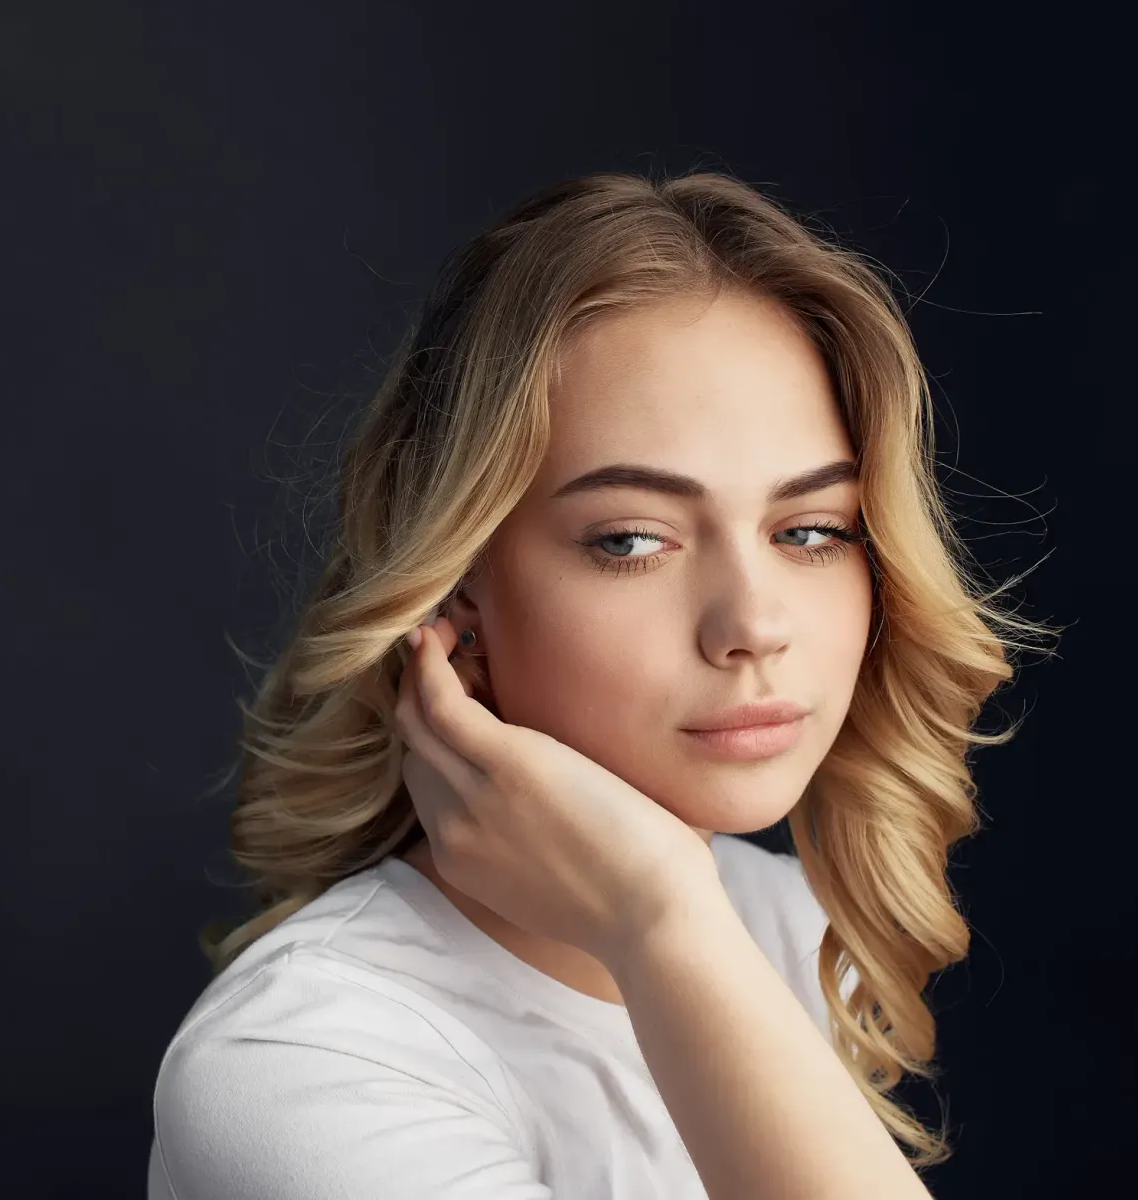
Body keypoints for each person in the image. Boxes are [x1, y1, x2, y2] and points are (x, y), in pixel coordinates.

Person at [146, 169, 1055, 1199]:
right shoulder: (304, 1068)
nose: (753, 626)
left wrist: (672, 927)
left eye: (810, 531)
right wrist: (659, 921)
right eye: (631, 540)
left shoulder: (774, 924)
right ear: (458, 590)